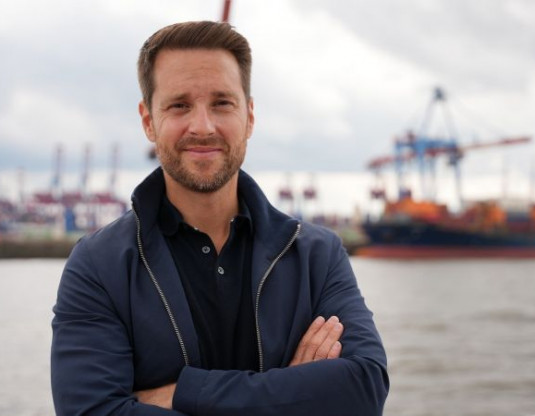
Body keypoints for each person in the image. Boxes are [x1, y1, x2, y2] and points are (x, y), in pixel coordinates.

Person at [50, 20, 389, 416]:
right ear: (148, 121)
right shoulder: (99, 266)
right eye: (179, 105)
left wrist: (184, 393)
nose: (203, 126)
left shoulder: (317, 255)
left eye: (222, 103)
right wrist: (292, 396)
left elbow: (363, 389)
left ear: (249, 116)